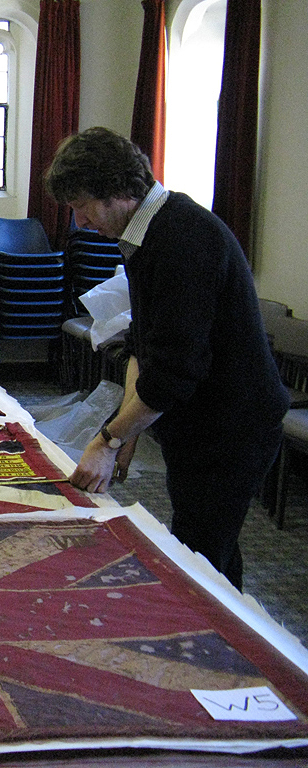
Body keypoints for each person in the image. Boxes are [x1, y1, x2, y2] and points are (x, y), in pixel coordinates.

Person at [44, 127, 288, 591]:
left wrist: (110, 439)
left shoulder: (183, 237)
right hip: (202, 424)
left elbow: (176, 370)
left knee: (198, 558)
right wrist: (128, 432)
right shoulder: (150, 232)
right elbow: (144, 345)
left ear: (116, 191)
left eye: (81, 206)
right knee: (208, 551)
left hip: (230, 428)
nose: (79, 222)